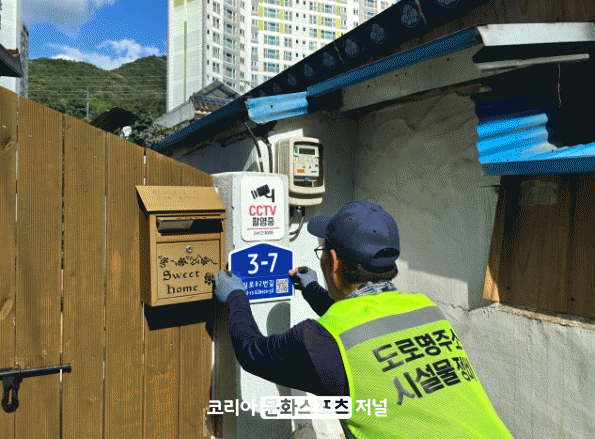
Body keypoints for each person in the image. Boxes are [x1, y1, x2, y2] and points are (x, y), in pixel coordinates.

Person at [213, 200, 512, 438]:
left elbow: (252, 352)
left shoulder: (319, 340)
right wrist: (313, 290)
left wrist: (236, 296)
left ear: (333, 261)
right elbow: (359, 331)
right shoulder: (425, 310)